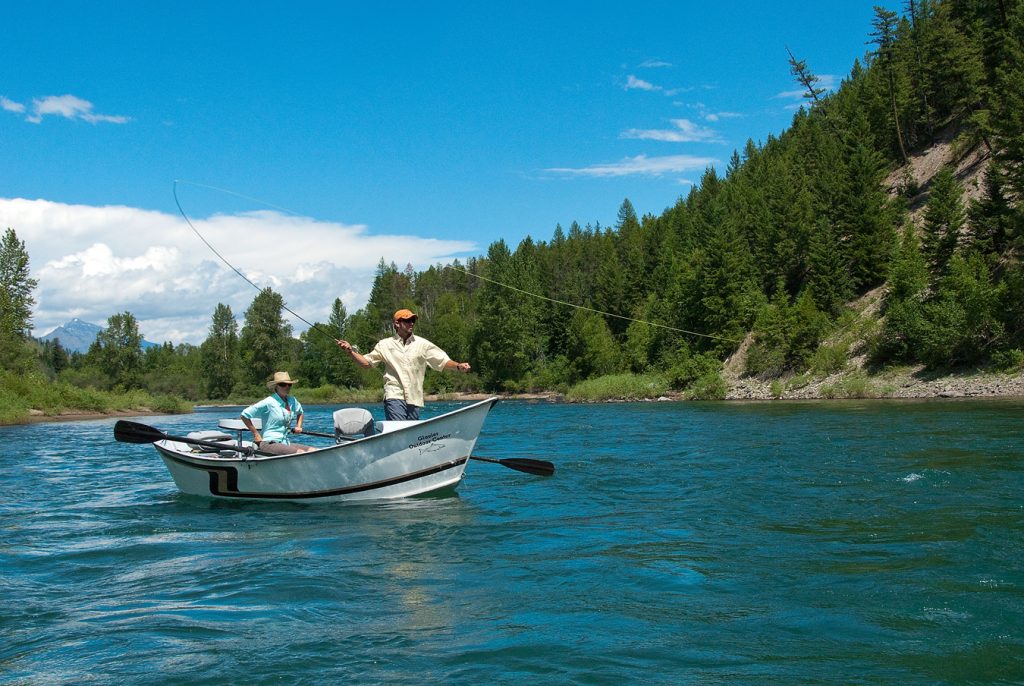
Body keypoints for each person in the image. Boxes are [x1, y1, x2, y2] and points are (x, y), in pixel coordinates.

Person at [337, 308, 471, 420]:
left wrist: (458, 366)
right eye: (407, 321)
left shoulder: (423, 344)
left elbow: (442, 361)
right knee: (400, 429)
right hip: (394, 395)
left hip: (415, 397)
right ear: (397, 323)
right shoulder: (385, 344)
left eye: (413, 320)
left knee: (411, 435)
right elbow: (366, 363)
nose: (411, 323)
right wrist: (350, 351)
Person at [240, 371, 317, 454]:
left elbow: (300, 412)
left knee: (314, 451)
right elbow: (244, 415)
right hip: (268, 443)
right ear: (276, 386)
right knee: (300, 452)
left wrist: (298, 426)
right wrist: (256, 434)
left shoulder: (292, 400)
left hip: (285, 442)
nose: (287, 387)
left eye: (289, 384)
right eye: (283, 384)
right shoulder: (269, 402)